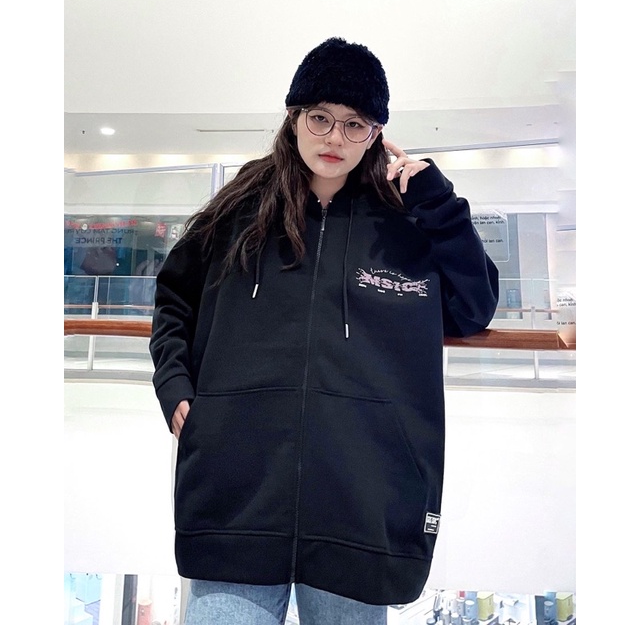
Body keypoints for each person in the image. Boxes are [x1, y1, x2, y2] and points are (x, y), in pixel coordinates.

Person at [149, 37, 499, 625]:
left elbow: (474, 308)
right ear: (294, 119)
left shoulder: (405, 224)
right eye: (320, 118)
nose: (334, 137)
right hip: (237, 494)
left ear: (376, 135)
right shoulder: (239, 211)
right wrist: (175, 385)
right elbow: (174, 298)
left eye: (355, 124)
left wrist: (438, 205)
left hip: (361, 504)